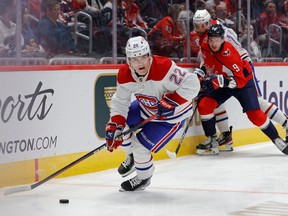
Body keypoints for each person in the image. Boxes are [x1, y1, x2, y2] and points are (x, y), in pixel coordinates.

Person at [105, 36, 200, 191]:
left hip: (170, 117)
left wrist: (173, 101)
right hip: (146, 108)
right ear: (128, 61)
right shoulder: (124, 74)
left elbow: (192, 84)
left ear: (149, 56)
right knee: (121, 128)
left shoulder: (164, 67)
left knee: (139, 147)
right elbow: (120, 102)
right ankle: (132, 157)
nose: (140, 63)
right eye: (135, 59)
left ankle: (143, 178)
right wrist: (114, 125)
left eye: (143, 57)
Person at [192, 9, 288, 155]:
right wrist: (204, 72)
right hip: (224, 73)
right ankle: (224, 136)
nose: (200, 29)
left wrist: (225, 77)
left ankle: (285, 123)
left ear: (208, 22)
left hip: (240, 67)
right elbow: (208, 59)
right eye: (196, 25)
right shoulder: (208, 36)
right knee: (210, 101)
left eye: (202, 25)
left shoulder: (218, 36)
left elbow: (231, 59)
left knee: (256, 104)